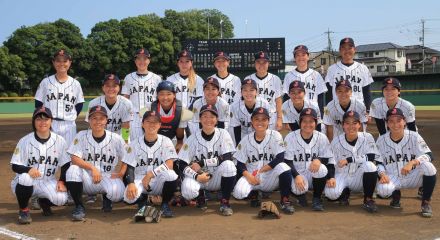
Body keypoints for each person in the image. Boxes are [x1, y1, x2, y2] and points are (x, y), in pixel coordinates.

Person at [65, 106, 128, 221]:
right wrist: (92, 168)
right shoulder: (81, 135)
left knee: (118, 194)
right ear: (89, 120)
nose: (98, 121)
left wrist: (122, 173)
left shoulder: (116, 138)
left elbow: (127, 157)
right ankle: (79, 206)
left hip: (107, 177)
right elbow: (74, 158)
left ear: (106, 120)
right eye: (94, 118)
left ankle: (107, 198)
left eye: (101, 118)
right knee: (72, 170)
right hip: (87, 178)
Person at [10, 107, 70, 224]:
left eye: (46, 119)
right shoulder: (25, 141)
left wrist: (62, 181)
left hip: (47, 181)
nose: (42, 122)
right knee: (25, 177)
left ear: (51, 121)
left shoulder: (59, 140)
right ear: (34, 122)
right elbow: (15, 165)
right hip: (25, 183)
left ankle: (44, 202)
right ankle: (24, 210)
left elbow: (66, 164)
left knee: (62, 199)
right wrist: (28, 169)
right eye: (38, 119)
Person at [233, 107, 295, 214]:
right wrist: (248, 176)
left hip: (270, 177)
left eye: (264, 119)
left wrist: (263, 169)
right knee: (238, 193)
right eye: (257, 119)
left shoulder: (275, 135)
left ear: (269, 121)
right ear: (252, 121)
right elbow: (240, 164)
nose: (260, 122)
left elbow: (280, 157)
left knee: (284, 167)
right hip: (252, 176)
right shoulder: (246, 140)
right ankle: (254, 193)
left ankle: (284, 200)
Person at [376, 108, 437, 218]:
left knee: (429, 167)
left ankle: (425, 203)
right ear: (387, 124)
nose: (395, 124)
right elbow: (378, 162)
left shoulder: (414, 136)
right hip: (393, 178)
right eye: (391, 121)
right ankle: (396, 196)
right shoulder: (381, 141)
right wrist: (382, 174)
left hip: (414, 177)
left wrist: (413, 162)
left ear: (404, 122)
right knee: (383, 191)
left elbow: (429, 155)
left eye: (398, 121)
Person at [177, 104, 237, 216]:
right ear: (199, 119)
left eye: (211, 116)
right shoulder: (192, 138)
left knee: (229, 165)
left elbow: (228, 157)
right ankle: (200, 195)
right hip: (199, 178)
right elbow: (181, 163)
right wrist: (197, 176)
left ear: (217, 119)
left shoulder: (223, 134)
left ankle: (225, 202)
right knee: (188, 191)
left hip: (217, 177)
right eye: (204, 116)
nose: (208, 119)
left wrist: (202, 162)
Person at [123, 110, 179, 217]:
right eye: (148, 121)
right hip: (140, 179)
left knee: (171, 175)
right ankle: (143, 199)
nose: (151, 125)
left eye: (155, 122)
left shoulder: (166, 141)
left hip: (159, 180)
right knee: (128, 199)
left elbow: (170, 165)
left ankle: (165, 204)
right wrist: (130, 184)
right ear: (142, 124)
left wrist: (150, 174)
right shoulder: (134, 144)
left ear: (159, 125)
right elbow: (129, 167)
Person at [324, 111, 380, 213]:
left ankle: (368, 199)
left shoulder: (367, 137)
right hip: (342, 175)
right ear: (343, 125)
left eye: (354, 123)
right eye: (347, 123)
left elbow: (371, 156)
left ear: (359, 125)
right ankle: (345, 192)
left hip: (359, 177)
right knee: (331, 194)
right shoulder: (336, 141)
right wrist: (331, 177)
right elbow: (330, 162)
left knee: (370, 166)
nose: (351, 126)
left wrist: (349, 160)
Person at [284, 108, 335, 211]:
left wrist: (319, 160)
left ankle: (316, 198)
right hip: (299, 175)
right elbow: (287, 161)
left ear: (316, 123)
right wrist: (296, 175)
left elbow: (328, 158)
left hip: (316, 175)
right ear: (300, 123)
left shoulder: (321, 137)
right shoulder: (290, 137)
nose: (308, 124)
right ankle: (300, 195)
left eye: (311, 121)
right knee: (297, 190)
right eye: (304, 121)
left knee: (322, 169)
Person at [34, 49, 85, 145]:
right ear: (53, 62)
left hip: (69, 125)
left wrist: (70, 117)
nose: (61, 64)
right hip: (50, 124)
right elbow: (38, 104)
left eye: (65, 61)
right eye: (58, 60)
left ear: (70, 63)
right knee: (49, 154)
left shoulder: (76, 84)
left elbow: (79, 105)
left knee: (69, 156)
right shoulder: (45, 82)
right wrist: (45, 120)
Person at [122, 48, 162, 141]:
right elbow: (125, 100)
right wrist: (125, 138)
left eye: (145, 58)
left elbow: (160, 100)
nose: (142, 61)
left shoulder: (157, 78)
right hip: (134, 116)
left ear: (149, 60)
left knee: (152, 143)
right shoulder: (128, 78)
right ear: (135, 61)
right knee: (135, 144)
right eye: (139, 58)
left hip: (152, 115)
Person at [325, 37, 374, 112]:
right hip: (337, 110)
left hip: (358, 109)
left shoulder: (363, 68)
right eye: (344, 48)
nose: (347, 51)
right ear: (340, 51)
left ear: (354, 50)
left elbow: (367, 92)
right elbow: (329, 94)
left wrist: (368, 110)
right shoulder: (332, 69)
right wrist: (328, 112)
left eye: (349, 48)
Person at [86, 74, 134, 141]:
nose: (111, 89)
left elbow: (126, 126)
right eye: (108, 86)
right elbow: (91, 125)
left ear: (119, 88)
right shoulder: (93, 103)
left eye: (114, 86)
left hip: (119, 139)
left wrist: (125, 142)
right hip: (100, 138)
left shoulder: (126, 103)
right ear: (103, 88)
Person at [244, 51, 283, 130]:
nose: (261, 65)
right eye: (258, 62)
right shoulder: (248, 79)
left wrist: (279, 118)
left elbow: (278, 100)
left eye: (264, 62)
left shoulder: (276, 79)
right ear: (254, 63)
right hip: (254, 117)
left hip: (271, 117)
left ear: (268, 64)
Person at [283, 45, 327, 115]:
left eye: (303, 54)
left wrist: (321, 116)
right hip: (294, 114)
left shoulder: (316, 75)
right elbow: (286, 98)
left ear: (308, 57)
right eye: (298, 55)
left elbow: (320, 98)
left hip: (312, 114)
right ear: (294, 58)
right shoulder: (289, 76)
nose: (301, 57)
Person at [230, 79, 273, 145]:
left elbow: (268, 125)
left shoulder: (264, 104)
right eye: (245, 90)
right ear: (241, 92)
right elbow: (236, 128)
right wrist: (238, 146)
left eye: (251, 90)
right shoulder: (234, 106)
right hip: (243, 138)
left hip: (261, 136)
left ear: (257, 92)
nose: (248, 93)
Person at [150, 81, 189, 152]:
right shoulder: (149, 106)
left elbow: (180, 130)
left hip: (175, 138)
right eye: (161, 94)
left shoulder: (183, 108)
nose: (165, 98)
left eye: (169, 94)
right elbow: (146, 127)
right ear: (157, 95)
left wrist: (179, 143)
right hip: (155, 138)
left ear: (174, 95)